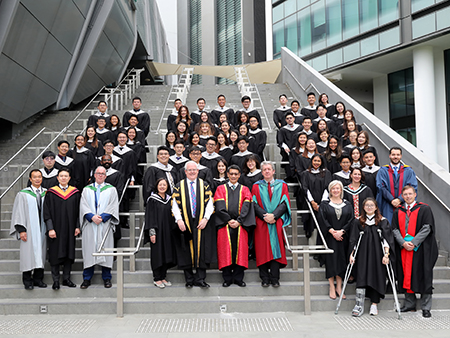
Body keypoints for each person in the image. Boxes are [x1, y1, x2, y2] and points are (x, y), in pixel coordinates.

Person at [391, 186, 438, 318]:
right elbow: (394, 229)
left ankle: (426, 307)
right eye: (405, 194)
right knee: (405, 275)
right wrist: (403, 243)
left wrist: (414, 242)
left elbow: (427, 227)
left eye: (410, 194)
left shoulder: (424, 209)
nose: (408, 196)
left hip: (421, 249)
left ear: (415, 194)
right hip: (404, 249)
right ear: (402, 196)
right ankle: (410, 304)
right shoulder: (398, 211)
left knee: (424, 276)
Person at [171, 161, 215, 288]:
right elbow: (174, 204)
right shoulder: (179, 186)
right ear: (185, 172)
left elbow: (210, 203)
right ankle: (189, 279)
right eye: (189, 170)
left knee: (201, 250)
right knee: (186, 249)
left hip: (201, 221)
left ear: (198, 171)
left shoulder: (204, 185)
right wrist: (179, 220)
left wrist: (206, 218)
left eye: (194, 170)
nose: (192, 172)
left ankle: (200, 278)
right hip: (185, 221)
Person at [349, 198, 395, 317]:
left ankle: (374, 304)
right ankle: (359, 304)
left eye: (371, 205)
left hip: (377, 254)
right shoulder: (358, 222)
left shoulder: (382, 221)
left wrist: (386, 254)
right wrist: (352, 254)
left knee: (376, 276)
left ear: (376, 207)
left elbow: (386, 240)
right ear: (363, 208)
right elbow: (353, 239)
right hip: (362, 254)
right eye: (367, 205)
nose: (369, 207)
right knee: (362, 275)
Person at [252, 161, 291, 287]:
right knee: (262, 248)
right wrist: (265, 216)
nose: (267, 171)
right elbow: (254, 204)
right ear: (262, 172)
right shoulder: (256, 186)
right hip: (261, 222)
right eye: (264, 170)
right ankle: (264, 278)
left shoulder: (282, 185)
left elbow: (285, 202)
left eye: (269, 169)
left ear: (274, 171)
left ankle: (275, 278)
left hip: (276, 221)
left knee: (276, 248)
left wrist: (274, 215)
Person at [214, 165, 255, 287]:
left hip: (241, 225)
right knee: (225, 251)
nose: (233, 176)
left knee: (240, 251)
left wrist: (239, 221)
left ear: (239, 175)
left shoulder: (245, 189)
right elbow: (219, 207)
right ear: (227, 174)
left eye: (236, 174)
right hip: (224, 225)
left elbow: (246, 207)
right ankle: (227, 278)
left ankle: (238, 278)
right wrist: (229, 220)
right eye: (231, 174)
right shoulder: (220, 189)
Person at [79, 166, 119, 289]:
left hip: (105, 224)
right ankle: (87, 278)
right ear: (94, 175)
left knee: (106, 250)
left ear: (105, 176)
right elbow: (83, 205)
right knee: (89, 250)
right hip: (90, 224)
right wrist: (91, 217)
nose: (100, 175)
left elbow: (113, 205)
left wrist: (102, 217)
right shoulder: (86, 189)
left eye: (103, 173)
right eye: (98, 173)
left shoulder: (112, 189)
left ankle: (106, 278)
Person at [44, 169, 81, 290]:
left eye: (66, 176)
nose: (64, 178)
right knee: (55, 253)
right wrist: (50, 228)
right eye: (61, 176)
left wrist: (77, 226)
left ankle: (66, 279)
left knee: (69, 253)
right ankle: (55, 280)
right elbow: (47, 212)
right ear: (57, 178)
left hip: (70, 228)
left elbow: (78, 212)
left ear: (69, 178)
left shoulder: (74, 193)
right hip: (56, 229)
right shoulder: (51, 192)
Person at [10, 170, 47, 290]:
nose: (37, 179)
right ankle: (27, 280)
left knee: (41, 254)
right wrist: (21, 230)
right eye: (34, 177)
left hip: (42, 228)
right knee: (27, 254)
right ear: (30, 179)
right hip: (29, 229)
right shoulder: (23, 194)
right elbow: (18, 212)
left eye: (39, 177)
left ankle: (38, 279)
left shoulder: (46, 193)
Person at [319, 180, 354, 299]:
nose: (335, 190)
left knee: (341, 260)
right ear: (330, 190)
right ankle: (331, 286)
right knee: (331, 260)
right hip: (330, 237)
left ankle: (339, 286)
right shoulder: (325, 204)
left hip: (343, 237)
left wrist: (342, 231)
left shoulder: (347, 204)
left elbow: (351, 220)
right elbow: (322, 219)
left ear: (341, 190)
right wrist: (331, 231)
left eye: (337, 188)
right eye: (333, 188)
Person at [144, 178, 177, 288]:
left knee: (167, 253)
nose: (162, 187)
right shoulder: (152, 200)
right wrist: (152, 232)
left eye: (164, 185)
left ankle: (163, 277)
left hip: (168, 231)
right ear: (156, 186)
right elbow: (149, 217)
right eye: (160, 185)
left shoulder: (170, 199)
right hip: (157, 232)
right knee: (158, 254)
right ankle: (157, 278)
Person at [376, 147, 418, 223]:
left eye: (398, 155)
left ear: (401, 156)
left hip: (404, 203)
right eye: (393, 154)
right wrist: (392, 200)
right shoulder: (383, 171)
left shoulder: (408, 171)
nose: (395, 157)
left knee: (405, 227)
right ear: (389, 156)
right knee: (388, 227)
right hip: (387, 204)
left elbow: (412, 187)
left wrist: (400, 199)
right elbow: (381, 187)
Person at [301, 154, 332, 238]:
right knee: (310, 224)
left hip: (323, 202)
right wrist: (312, 202)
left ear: (321, 162)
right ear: (311, 161)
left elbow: (327, 187)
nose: (316, 163)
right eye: (315, 160)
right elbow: (305, 188)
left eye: (318, 161)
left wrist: (322, 203)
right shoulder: (306, 173)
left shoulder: (326, 173)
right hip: (310, 203)